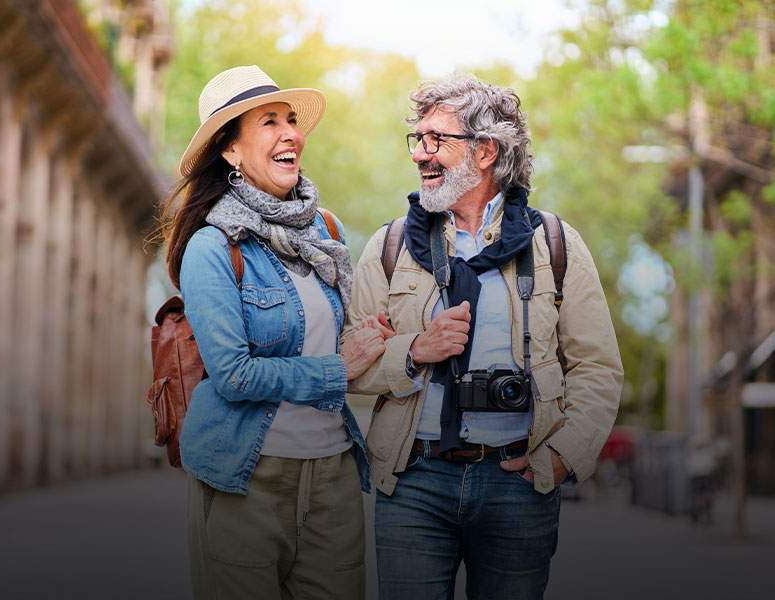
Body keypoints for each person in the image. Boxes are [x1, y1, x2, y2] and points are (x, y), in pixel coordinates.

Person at [344, 75, 624, 599]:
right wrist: (414, 351)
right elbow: (350, 367)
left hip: (520, 482)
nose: (420, 154)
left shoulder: (554, 244)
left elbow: (598, 368)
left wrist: (562, 457)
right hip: (413, 482)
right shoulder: (390, 245)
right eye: (417, 139)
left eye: (436, 140)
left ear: (486, 151)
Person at [159, 65, 384, 600]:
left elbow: (345, 336)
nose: (290, 133)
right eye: (268, 122)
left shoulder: (326, 232)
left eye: (291, 120)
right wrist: (339, 368)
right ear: (230, 152)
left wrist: (389, 340)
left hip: (333, 474)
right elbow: (233, 375)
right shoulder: (212, 247)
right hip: (246, 474)